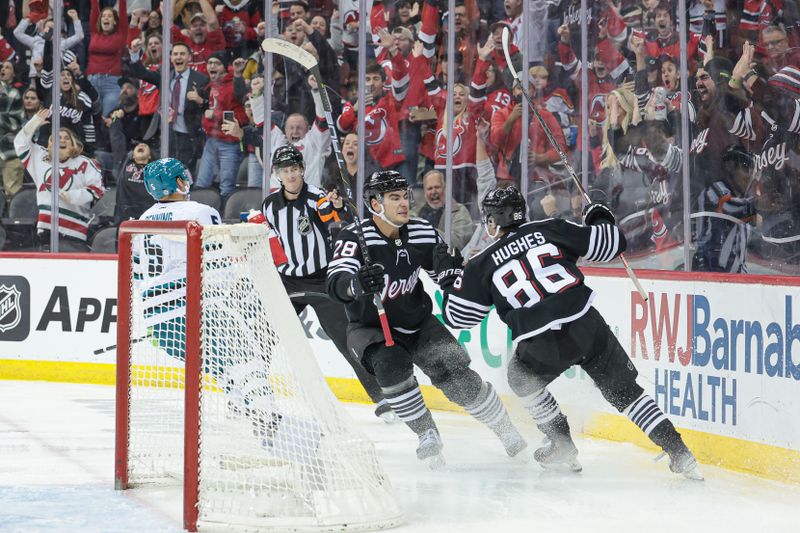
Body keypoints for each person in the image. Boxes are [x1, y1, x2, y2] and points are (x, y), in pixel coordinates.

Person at [437, 187, 702, 480]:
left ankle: (561, 445)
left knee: (520, 378)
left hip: (540, 341)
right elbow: (611, 243)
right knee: (627, 393)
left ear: (492, 222)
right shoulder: (551, 228)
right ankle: (680, 452)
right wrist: (598, 215)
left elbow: (459, 317)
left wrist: (449, 281)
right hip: (585, 324)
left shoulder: (481, 263)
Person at [326, 170, 528, 468]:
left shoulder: (422, 231)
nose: (404, 203)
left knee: (456, 375)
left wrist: (451, 274)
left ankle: (505, 429)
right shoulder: (355, 238)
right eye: (394, 198)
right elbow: (335, 284)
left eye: (405, 196)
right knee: (390, 364)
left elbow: (444, 272)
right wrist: (356, 284)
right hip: (370, 328)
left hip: (417, 322)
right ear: (374, 204)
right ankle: (426, 434)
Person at [261, 146, 394, 422]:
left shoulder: (316, 197)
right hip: (287, 282)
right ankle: (253, 392)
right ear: (278, 174)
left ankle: (382, 397)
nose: (290, 175)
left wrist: (336, 206)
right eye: (284, 171)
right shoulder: (269, 205)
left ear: (301, 169)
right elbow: (272, 243)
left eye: (294, 169)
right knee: (264, 335)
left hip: (323, 280)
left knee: (347, 339)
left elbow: (331, 215)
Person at [14, 109, 104, 252]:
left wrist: (72, 196)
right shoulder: (41, 158)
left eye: (66, 138)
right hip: (46, 229)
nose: (62, 140)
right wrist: (34, 122)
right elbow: (20, 144)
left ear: (73, 143)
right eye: (57, 137)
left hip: (75, 232)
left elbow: (97, 191)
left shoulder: (85, 163)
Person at [412, 170, 474, 252]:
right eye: (429, 188)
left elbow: (459, 242)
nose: (433, 192)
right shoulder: (416, 213)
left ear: (445, 188)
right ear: (425, 192)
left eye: (437, 187)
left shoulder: (459, 211)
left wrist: (429, 232)